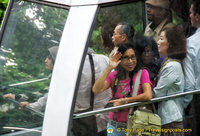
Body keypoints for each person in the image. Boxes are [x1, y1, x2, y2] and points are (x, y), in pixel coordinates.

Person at [93, 43, 152, 136]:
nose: (130, 61)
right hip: (113, 127)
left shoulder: (142, 73)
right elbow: (96, 89)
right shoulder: (114, 75)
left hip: (135, 126)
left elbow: (148, 95)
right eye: (126, 58)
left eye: (133, 57)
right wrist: (109, 68)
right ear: (119, 60)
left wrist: (124, 101)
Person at [3, 46, 59, 112]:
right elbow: (42, 93)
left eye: (49, 58)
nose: (45, 60)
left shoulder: (61, 79)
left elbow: (47, 98)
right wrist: (17, 97)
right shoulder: (55, 76)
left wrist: (31, 106)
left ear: (56, 60)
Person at [154, 25, 186, 136]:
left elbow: (158, 93)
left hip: (170, 119)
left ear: (170, 44)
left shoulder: (171, 66)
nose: (158, 42)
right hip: (168, 118)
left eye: (161, 39)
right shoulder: (169, 63)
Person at [183, 1, 200, 135]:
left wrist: (182, 105)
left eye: (190, 13)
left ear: (197, 17)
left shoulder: (191, 43)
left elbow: (190, 83)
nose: (189, 16)